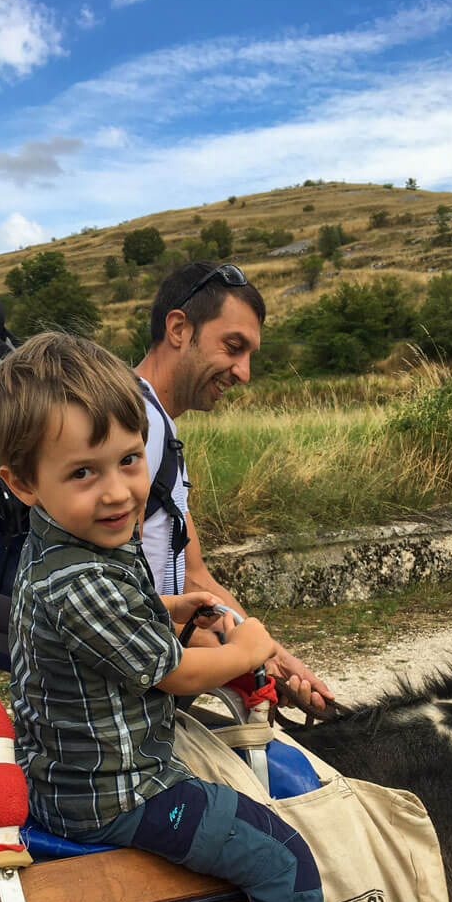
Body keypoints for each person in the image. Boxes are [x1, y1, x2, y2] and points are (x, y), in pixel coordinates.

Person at [0, 330, 452, 902]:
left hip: (85, 760)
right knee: (280, 856)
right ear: (22, 484)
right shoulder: (77, 577)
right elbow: (170, 677)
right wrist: (252, 645)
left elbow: (128, 625)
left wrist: (178, 603)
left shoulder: (72, 551)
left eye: (128, 461)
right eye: (83, 473)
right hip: (115, 790)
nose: (119, 490)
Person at [136, 260, 335, 713]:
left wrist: (277, 661)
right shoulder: (133, 427)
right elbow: (114, 598)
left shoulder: (158, 429)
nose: (243, 372)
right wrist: (233, 655)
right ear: (179, 328)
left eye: (249, 356)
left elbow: (192, 574)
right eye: (233, 346)